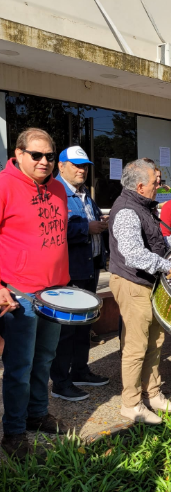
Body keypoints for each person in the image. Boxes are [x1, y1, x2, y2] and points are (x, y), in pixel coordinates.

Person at [0, 128, 70, 458]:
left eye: (50, 156)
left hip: (55, 293)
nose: (44, 161)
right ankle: (13, 432)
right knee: (19, 367)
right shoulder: (4, 185)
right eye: (37, 155)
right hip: (19, 294)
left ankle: (37, 414)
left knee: (44, 360)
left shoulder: (58, 188)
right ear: (18, 154)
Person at [109, 159, 171, 425]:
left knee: (155, 341)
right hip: (132, 283)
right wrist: (169, 266)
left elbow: (152, 241)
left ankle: (153, 394)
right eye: (156, 181)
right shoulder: (127, 210)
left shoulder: (143, 206)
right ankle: (131, 404)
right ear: (140, 186)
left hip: (147, 282)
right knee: (136, 347)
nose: (161, 185)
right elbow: (133, 254)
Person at [49, 146, 110, 402]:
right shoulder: (55, 193)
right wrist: (87, 227)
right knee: (67, 329)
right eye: (76, 165)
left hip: (90, 267)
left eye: (84, 165)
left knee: (85, 323)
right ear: (61, 166)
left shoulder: (85, 194)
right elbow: (53, 231)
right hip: (69, 272)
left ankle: (80, 371)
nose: (81, 170)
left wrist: (101, 225)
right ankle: (61, 381)